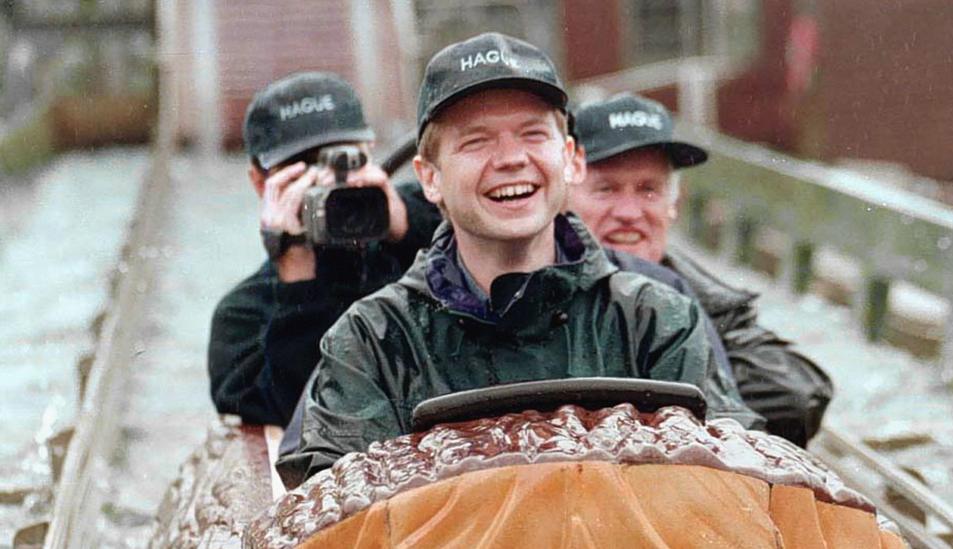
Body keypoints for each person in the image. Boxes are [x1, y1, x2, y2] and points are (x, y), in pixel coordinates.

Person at [276, 32, 758, 483]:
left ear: (570, 158)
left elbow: (730, 485)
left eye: (532, 134)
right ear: (430, 178)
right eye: (476, 140)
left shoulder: (659, 319)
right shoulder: (372, 339)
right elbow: (335, 516)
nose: (510, 158)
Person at [567, 93, 833, 446]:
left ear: (674, 204)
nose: (629, 212)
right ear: (563, 197)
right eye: (606, 190)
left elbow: (796, 397)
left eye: (648, 190)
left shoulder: (706, 298)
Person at [207, 71, 440, 427]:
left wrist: (405, 225)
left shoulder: (436, 214)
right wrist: (297, 271)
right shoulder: (241, 317)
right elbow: (301, 420)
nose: (325, 181)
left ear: (370, 150)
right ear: (260, 182)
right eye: (301, 169)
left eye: (342, 159)